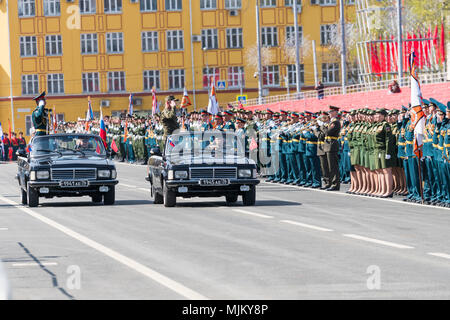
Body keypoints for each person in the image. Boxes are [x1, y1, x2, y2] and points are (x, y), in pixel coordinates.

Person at [323, 106, 341, 191]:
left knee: (333, 166)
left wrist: (323, 126)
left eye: (331, 112)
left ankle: (335, 184)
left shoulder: (335, 122)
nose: (329, 113)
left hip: (332, 145)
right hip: (328, 145)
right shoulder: (331, 122)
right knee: (329, 166)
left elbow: (328, 132)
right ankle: (331, 183)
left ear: (335, 112)